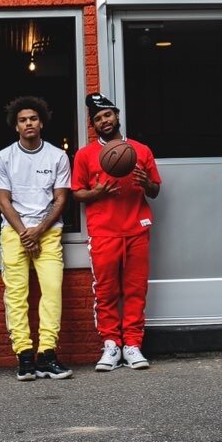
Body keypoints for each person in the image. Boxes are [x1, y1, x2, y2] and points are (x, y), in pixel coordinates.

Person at [72, 93, 161, 372]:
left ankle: (132, 344)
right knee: (107, 291)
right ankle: (111, 343)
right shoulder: (85, 155)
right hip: (103, 232)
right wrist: (96, 192)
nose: (104, 121)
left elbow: (156, 190)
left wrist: (147, 183)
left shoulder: (140, 150)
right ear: (93, 124)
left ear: (117, 115)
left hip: (136, 228)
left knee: (135, 289)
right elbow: (76, 193)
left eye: (108, 114)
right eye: (98, 118)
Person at [0, 96, 73, 380]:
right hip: (15, 232)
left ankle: (47, 354)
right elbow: (3, 201)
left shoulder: (57, 156)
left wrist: (39, 230)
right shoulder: (4, 157)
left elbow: (61, 199)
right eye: (23, 120)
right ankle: (24, 355)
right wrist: (26, 233)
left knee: (52, 291)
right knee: (16, 294)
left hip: (48, 233)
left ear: (41, 123)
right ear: (16, 125)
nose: (28, 123)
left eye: (33, 119)